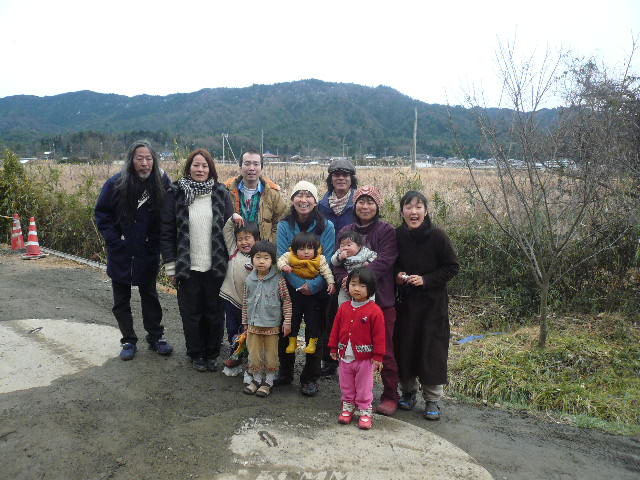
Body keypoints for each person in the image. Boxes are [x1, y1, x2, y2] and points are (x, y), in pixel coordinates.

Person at [95, 140, 174, 361]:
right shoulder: (116, 183)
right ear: (131, 160)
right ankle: (128, 340)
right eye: (140, 158)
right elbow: (102, 214)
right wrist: (114, 240)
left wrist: (155, 242)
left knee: (150, 296)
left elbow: (168, 215)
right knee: (121, 300)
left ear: (154, 160)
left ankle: (156, 336)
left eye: (149, 158)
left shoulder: (160, 183)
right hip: (120, 252)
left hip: (147, 252)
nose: (144, 163)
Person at [160, 148, 233, 372]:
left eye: (204, 166)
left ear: (211, 169)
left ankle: (212, 353)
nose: (200, 169)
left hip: (216, 267)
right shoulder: (175, 192)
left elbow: (230, 230)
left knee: (214, 313)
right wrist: (171, 266)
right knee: (191, 314)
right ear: (189, 167)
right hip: (187, 267)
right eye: (196, 165)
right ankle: (196, 354)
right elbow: (166, 231)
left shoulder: (221, 193)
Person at [333, 185, 399, 415]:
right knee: (350, 348)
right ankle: (351, 397)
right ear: (355, 205)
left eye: (370, 202)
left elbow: (385, 261)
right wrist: (344, 280)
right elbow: (337, 262)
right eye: (361, 201)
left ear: (377, 206)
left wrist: (358, 279)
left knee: (384, 348)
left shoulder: (386, 230)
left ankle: (390, 395)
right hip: (351, 301)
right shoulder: (346, 230)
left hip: (381, 300)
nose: (365, 206)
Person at [394, 191, 459, 421]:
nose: (413, 212)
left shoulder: (438, 236)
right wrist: (398, 275)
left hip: (433, 305)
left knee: (432, 351)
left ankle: (432, 400)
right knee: (405, 347)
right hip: (406, 303)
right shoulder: (397, 235)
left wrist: (426, 280)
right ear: (402, 212)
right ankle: (408, 392)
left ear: (426, 211)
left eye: (418, 207)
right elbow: (391, 264)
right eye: (408, 207)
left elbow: (452, 267)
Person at [275, 180, 335, 396]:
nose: (303, 200)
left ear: (316, 201)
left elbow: (328, 259)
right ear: (292, 200)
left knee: (314, 332)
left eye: (308, 195)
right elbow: (282, 258)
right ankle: (285, 371)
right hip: (291, 289)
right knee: (287, 328)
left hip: (317, 291)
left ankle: (310, 377)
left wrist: (315, 285)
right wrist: (300, 285)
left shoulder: (326, 226)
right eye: (299, 195)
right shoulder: (284, 225)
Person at [328, 267, 385, 430]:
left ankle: (365, 411)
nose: (357, 289)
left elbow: (380, 336)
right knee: (346, 384)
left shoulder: (375, 311)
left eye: (362, 285)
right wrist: (333, 347)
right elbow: (335, 329)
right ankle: (348, 407)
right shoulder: (344, 307)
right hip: (345, 356)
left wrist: (378, 356)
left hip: (365, 359)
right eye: (353, 284)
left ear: (371, 288)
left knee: (364, 386)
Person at [318, 158, 358, 376]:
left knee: (350, 316)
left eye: (345, 174)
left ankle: (352, 360)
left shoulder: (359, 203)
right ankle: (329, 359)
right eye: (336, 174)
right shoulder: (322, 205)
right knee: (328, 315)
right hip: (325, 266)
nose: (341, 178)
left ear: (351, 178)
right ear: (330, 178)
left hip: (351, 269)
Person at [242, 241, 292, 398]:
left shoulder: (279, 279)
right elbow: (245, 302)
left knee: (271, 355)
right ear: (252, 259)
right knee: (254, 354)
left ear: (273, 260)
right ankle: (256, 379)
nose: (261, 261)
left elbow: (286, 301)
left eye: (266, 258)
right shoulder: (249, 280)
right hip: (253, 325)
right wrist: (245, 322)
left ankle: (268, 382)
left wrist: (287, 321)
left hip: (271, 326)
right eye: (257, 257)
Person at [277, 231, 336, 355]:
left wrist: (331, 282)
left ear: (315, 249)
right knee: (294, 317)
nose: (306, 252)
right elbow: (280, 260)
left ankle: (312, 342)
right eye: (302, 249)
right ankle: (292, 341)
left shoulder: (320, 259)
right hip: (295, 293)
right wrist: (283, 266)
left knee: (312, 319)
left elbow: (326, 271)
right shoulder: (289, 256)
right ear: (295, 250)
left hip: (312, 294)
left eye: (310, 248)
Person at [224, 150, 288, 243]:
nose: (251, 168)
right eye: (247, 164)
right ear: (240, 168)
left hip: (263, 249)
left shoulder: (272, 194)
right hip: (234, 247)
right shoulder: (227, 192)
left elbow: (282, 221)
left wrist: (269, 243)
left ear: (261, 168)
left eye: (256, 164)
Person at [220, 217, 260, 347]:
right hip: (231, 298)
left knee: (248, 330)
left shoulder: (260, 258)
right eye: (240, 239)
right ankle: (234, 351)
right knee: (232, 328)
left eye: (247, 238)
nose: (244, 242)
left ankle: (248, 352)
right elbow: (227, 231)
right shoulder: (234, 251)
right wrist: (233, 218)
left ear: (256, 239)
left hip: (250, 304)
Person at [331, 230, 377, 306]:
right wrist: (340, 257)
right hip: (348, 280)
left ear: (359, 246)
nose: (345, 248)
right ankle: (343, 309)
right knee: (342, 299)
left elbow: (374, 255)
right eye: (342, 245)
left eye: (349, 245)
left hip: (363, 279)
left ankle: (369, 308)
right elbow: (333, 262)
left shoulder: (364, 252)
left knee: (369, 294)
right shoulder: (339, 252)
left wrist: (368, 261)